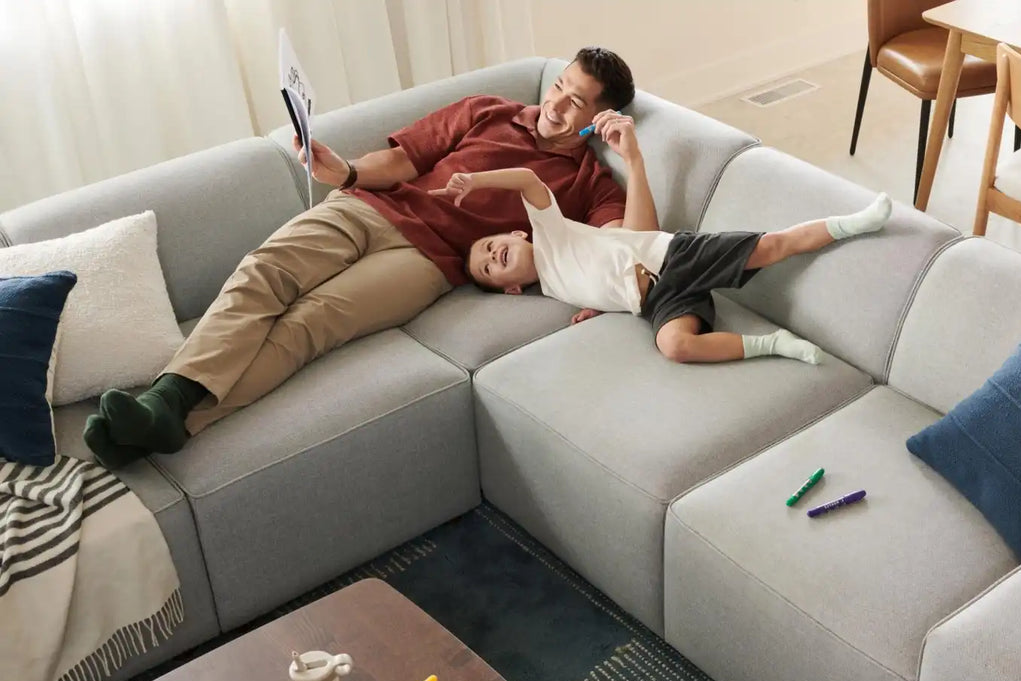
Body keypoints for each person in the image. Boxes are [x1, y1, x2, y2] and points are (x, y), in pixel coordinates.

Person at [85, 47, 656, 469]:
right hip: (368, 207)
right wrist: (347, 172)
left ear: (596, 118)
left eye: (575, 100)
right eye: (558, 85)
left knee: (310, 323)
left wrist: (632, 154)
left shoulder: (588, 182)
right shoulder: (487, 111)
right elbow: (405, 161)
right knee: (263, 273)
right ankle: (164, 400)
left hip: (429, 263)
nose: (555, 103)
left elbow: (636, 250)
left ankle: (170, 420)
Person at [430, 167, 893, 364]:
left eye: (491, 247)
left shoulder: (551, 229)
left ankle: (853, 222)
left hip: (674, 255)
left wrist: (476, 180)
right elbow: (600, 282)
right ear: (511, 290)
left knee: (772, 246)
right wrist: (599, 307)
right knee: (675, 347)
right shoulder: (552, 288)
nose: (494, 257)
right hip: (658, 300)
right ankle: (773, 345)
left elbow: (528, 180)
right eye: (489, 269)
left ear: (516, 234)